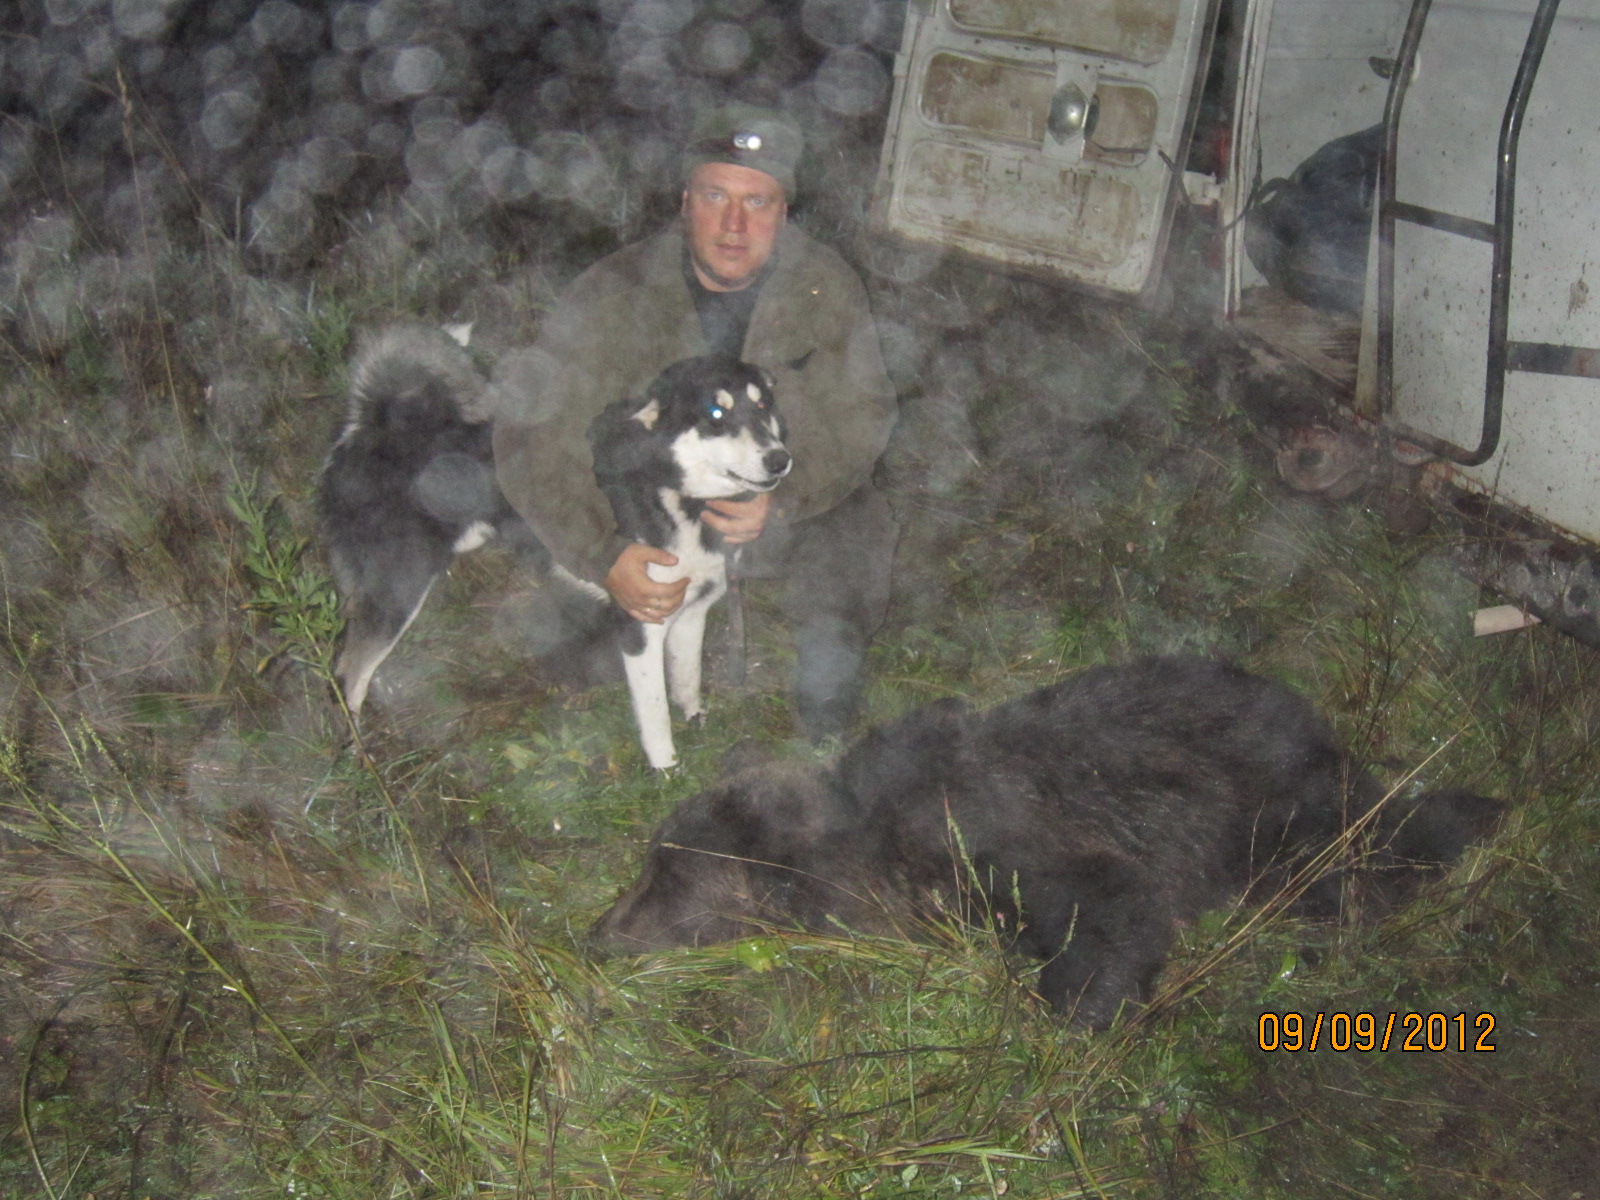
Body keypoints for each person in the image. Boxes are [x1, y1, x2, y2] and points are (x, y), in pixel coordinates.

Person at [492, 104, 898, 741]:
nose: (735, 224)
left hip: (776, 501)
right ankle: (601, 630)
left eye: (757, 202)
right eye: (715, 196)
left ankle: (825, 716)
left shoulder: (824, 284)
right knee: (582, 660)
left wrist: (786, 498)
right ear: (685, 203)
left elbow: (865, 416)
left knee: (858, 536)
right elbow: (532, 435)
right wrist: (603, 553)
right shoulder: (614, 291)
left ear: (783, 213)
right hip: (651, 512)